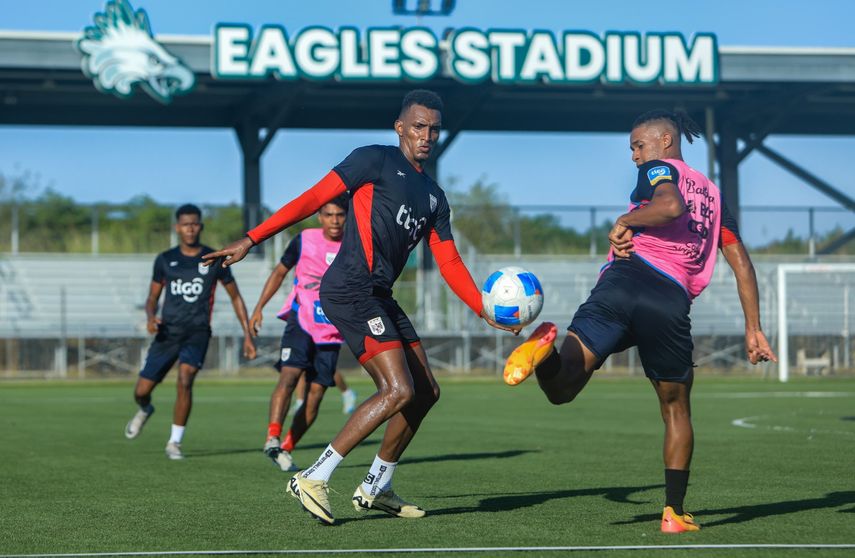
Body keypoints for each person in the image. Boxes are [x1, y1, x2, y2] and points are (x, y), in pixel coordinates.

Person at [205, 89, 510, 524]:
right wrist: (252, 239)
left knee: (425, 393)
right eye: (418, 126)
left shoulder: (434, 197)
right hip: (349, 288)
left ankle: (376, 486)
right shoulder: (374, 159)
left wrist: (485, 308)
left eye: (434, 129)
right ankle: (313, 477)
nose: (426, 135)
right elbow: (312, 199)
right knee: (398, 390)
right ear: (400, 127)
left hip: (379, 294)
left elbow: (449, 260)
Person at [503, 109, 778, 533]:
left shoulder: (658, 168)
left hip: (622, 284)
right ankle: (673, 513)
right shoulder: (714, 196)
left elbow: (669, 205)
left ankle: (546, 353)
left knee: (562, 388)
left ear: (665, 142)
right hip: (667, 303)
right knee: (675, 408)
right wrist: (753, 326)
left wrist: (625, 219)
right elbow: (740, 261)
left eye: (638, 145)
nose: (635, 156)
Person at [124, 204, 257, 460]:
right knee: (141, 391)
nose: (190, 228)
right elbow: (152, 298)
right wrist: (151, 317)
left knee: (185, 379)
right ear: (177, 227)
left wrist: (248, 335)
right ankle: (145, 408)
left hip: (197, 332)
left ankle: (174, 442)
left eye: (195, 223)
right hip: (167, 332)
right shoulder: (165, 260)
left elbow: (236, 297)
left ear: (201, 226)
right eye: (185, 224)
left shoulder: (214, 258)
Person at [248, 195, 358, 472]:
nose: (334, 220)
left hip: (331, 327)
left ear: (347, 217)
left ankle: (286, 447)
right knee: (289, 375)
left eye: (340, 215)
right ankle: (272, 437)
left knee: (317, 394)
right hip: (301, 319)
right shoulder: (303, 240)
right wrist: (259, 307)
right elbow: (279, 272)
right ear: (319, 216)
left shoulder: (355, 245)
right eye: (329, 214)